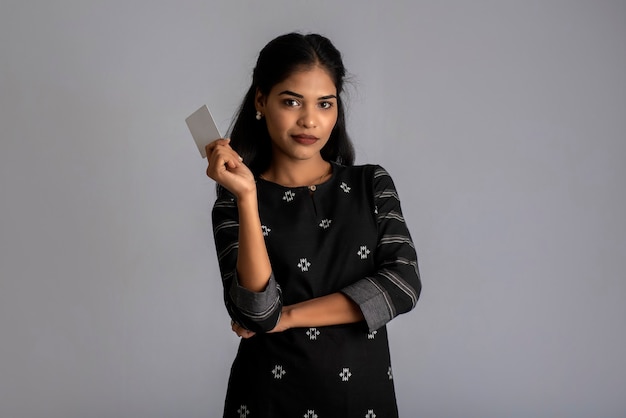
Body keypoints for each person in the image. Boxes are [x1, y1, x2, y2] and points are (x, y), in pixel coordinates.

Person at [205, 32, 421, 418]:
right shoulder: (234, 200)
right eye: (291, 101)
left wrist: (288, 317)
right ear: (261, 101)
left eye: (325, 104)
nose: (309, 120)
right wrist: (249, 197)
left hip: (362, 399)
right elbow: (256, 313)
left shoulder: (371, 185)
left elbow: (402, 285)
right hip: (267, 399)